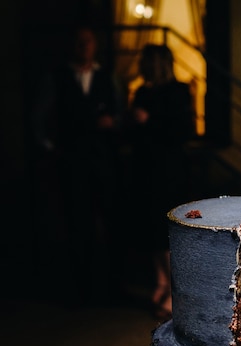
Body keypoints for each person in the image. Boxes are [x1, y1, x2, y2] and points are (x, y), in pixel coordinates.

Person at [33, 24, 120, 304]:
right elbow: (38, 116)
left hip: (104, 160)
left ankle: (109, 287)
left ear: (95, 45)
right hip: (72, 162)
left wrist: (114, 124)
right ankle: (79, 288)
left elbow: (119, 115)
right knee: (76, 223)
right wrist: (50, 147)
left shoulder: (107, 77)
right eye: (79, 42)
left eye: (88, 41)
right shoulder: (58, 77)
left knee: (110, 222)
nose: (83, 46)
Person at [126, 43, 195, 319]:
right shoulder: (143, 91)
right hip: (144, 168)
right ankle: (161, 282)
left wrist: (149, 120)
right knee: (150, 229)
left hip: (169, 170)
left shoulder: (178, 91)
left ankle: (174, 292)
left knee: (167, 233)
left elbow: (182, 131)